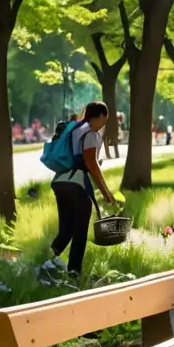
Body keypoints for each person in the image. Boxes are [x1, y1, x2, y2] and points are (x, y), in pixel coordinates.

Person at [51, 102, 116, 277]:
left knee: (66, 230)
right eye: (105, 118)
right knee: (80, 231)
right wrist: (106, 193)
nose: (105, 122)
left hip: (60, 181)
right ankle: (74, 272)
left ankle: (46, 261)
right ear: (100, 116)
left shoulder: (75, 128)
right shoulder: (91, 133)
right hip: (76, 184)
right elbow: (91, 164)